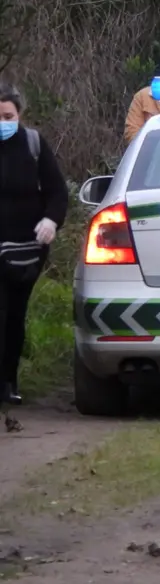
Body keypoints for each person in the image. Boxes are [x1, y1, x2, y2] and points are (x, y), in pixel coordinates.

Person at [0, 82, 68, 406]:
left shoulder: (33, 144)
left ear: (19, 114)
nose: (2, 122)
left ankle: (8, 381)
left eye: (7, 115)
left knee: (14, 315)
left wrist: (51, 221)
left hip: (25, 249)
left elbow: (57, 190)